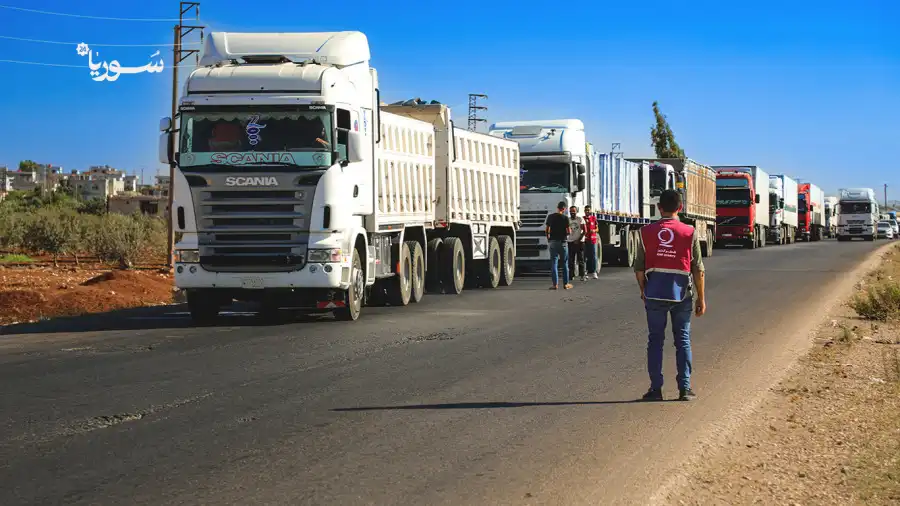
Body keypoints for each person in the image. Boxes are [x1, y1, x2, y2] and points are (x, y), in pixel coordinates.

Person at [633, 189, 706, 402]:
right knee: (682, 340)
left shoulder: (645, 232)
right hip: (682, 294)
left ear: (659, 208)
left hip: (654, 293)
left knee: (655, 340)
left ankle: (656, 389)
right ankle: (684, 388)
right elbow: (698, 269)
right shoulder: (689, 232)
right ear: (680, 208)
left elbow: (639, 268)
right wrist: (701, 298)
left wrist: (643, 290)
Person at [546, 201, 573, 290]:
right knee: (564, 263)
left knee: (554, 263)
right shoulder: (565, 218)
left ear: (557, 208)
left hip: (553, 242)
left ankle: (555, 285)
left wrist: (548, 239)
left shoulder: (550, 217)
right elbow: (568, 231)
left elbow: (547, 230)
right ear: (564, 209)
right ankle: (566, 284)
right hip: (563, 242)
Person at [567, 206, 586, 281]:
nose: (572, 213)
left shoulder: (580, 219)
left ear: (576, 211)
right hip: (570, 241)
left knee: (580, 259)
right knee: (571, 259)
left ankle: (582, 275)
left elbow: (585, 231)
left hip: (579, 242)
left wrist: (579, 239)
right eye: (571, 211)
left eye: (573, 211)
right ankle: (571, 275)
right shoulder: (568, 220)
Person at [583, 205, 600, 279]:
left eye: (588, 210)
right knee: (584, 256)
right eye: (586, 210)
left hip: (592, 239)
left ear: (590, 211)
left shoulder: (593, 218)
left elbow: (597, 229)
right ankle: (585, 272)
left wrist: (594, 230)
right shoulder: (582, 219)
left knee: (593, 256)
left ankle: (594, 272)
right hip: (584, 240)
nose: (587, 211)